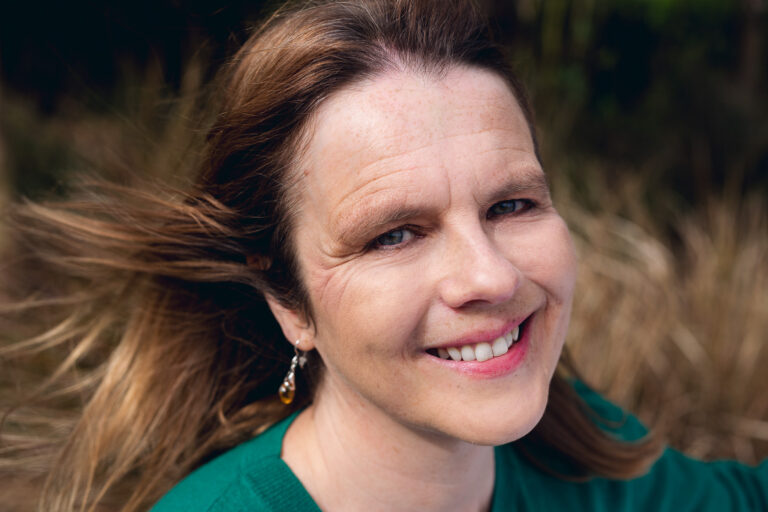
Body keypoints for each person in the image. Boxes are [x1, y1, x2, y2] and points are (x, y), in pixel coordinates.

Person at [1, 0, 766, 511]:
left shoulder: (578, 452)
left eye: (511, 204)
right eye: (394, 234)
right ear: (289, 303)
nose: (490, 276)